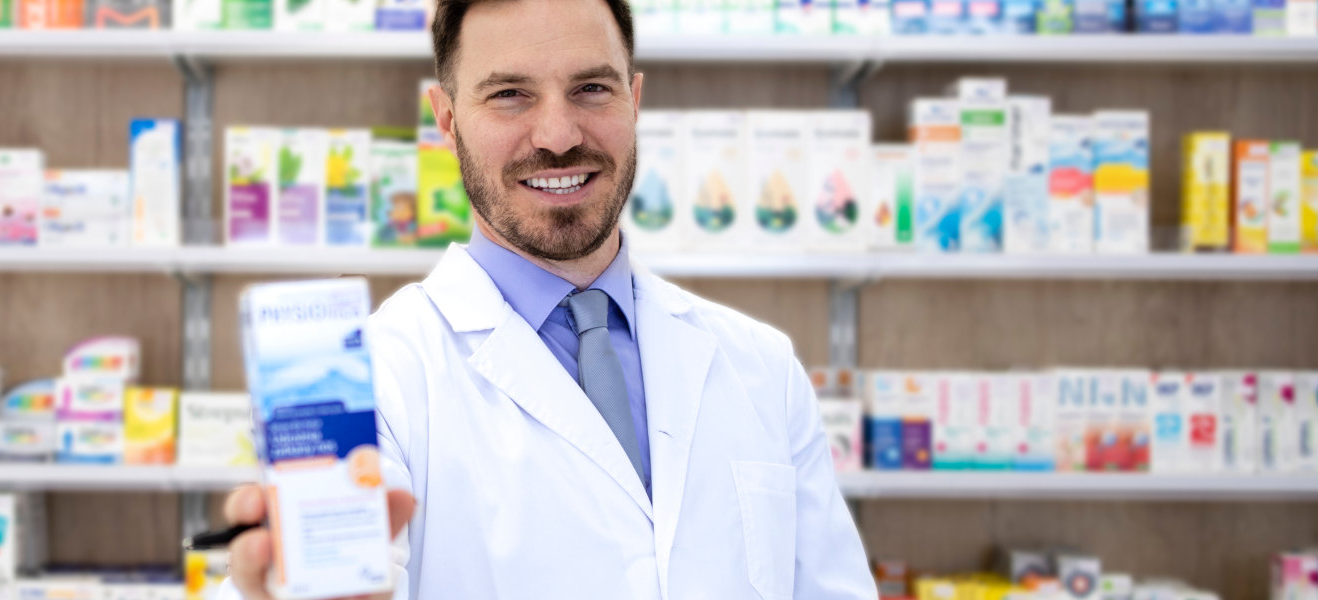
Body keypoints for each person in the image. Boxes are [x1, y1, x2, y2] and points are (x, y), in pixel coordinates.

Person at [221, 0, 874, 597]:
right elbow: (315, 575)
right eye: (509, 95)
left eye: (591, 88)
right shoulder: (377, 381)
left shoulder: (762, 367)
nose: (559, 135)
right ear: (447, 121)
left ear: (635, 100)